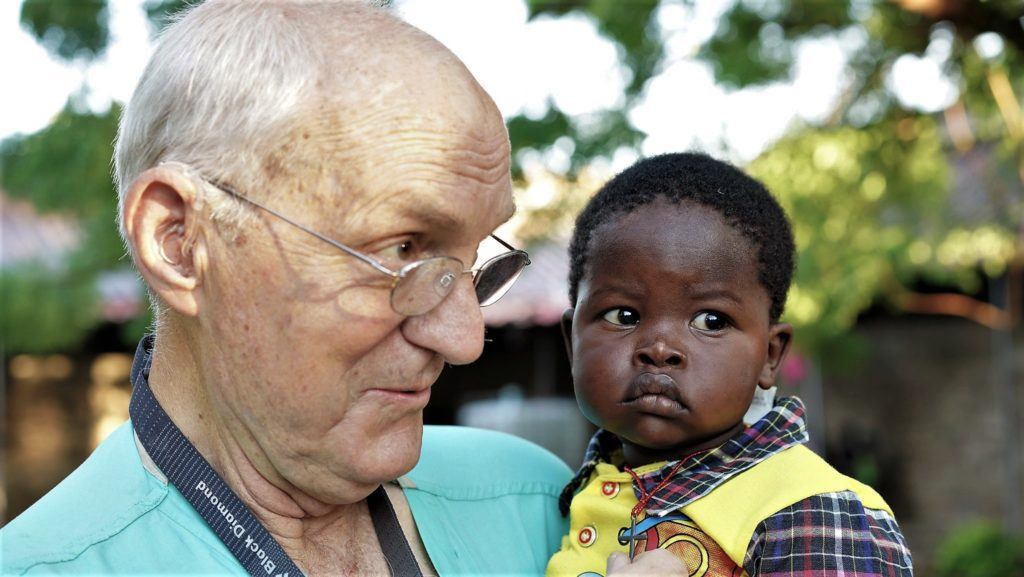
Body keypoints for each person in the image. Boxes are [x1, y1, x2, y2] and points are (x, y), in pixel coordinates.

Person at [2, 2, 683, 575]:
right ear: (181, 242)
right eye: (403, 251)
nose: (466, 338)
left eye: (474, 261)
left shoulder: (542, 503)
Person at [546, 153, 915, 577]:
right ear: (571, 342)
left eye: (711, 321)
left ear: (770, 355)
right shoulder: (561, 492)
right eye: (623, 316)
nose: (660, 348)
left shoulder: (811, 511)